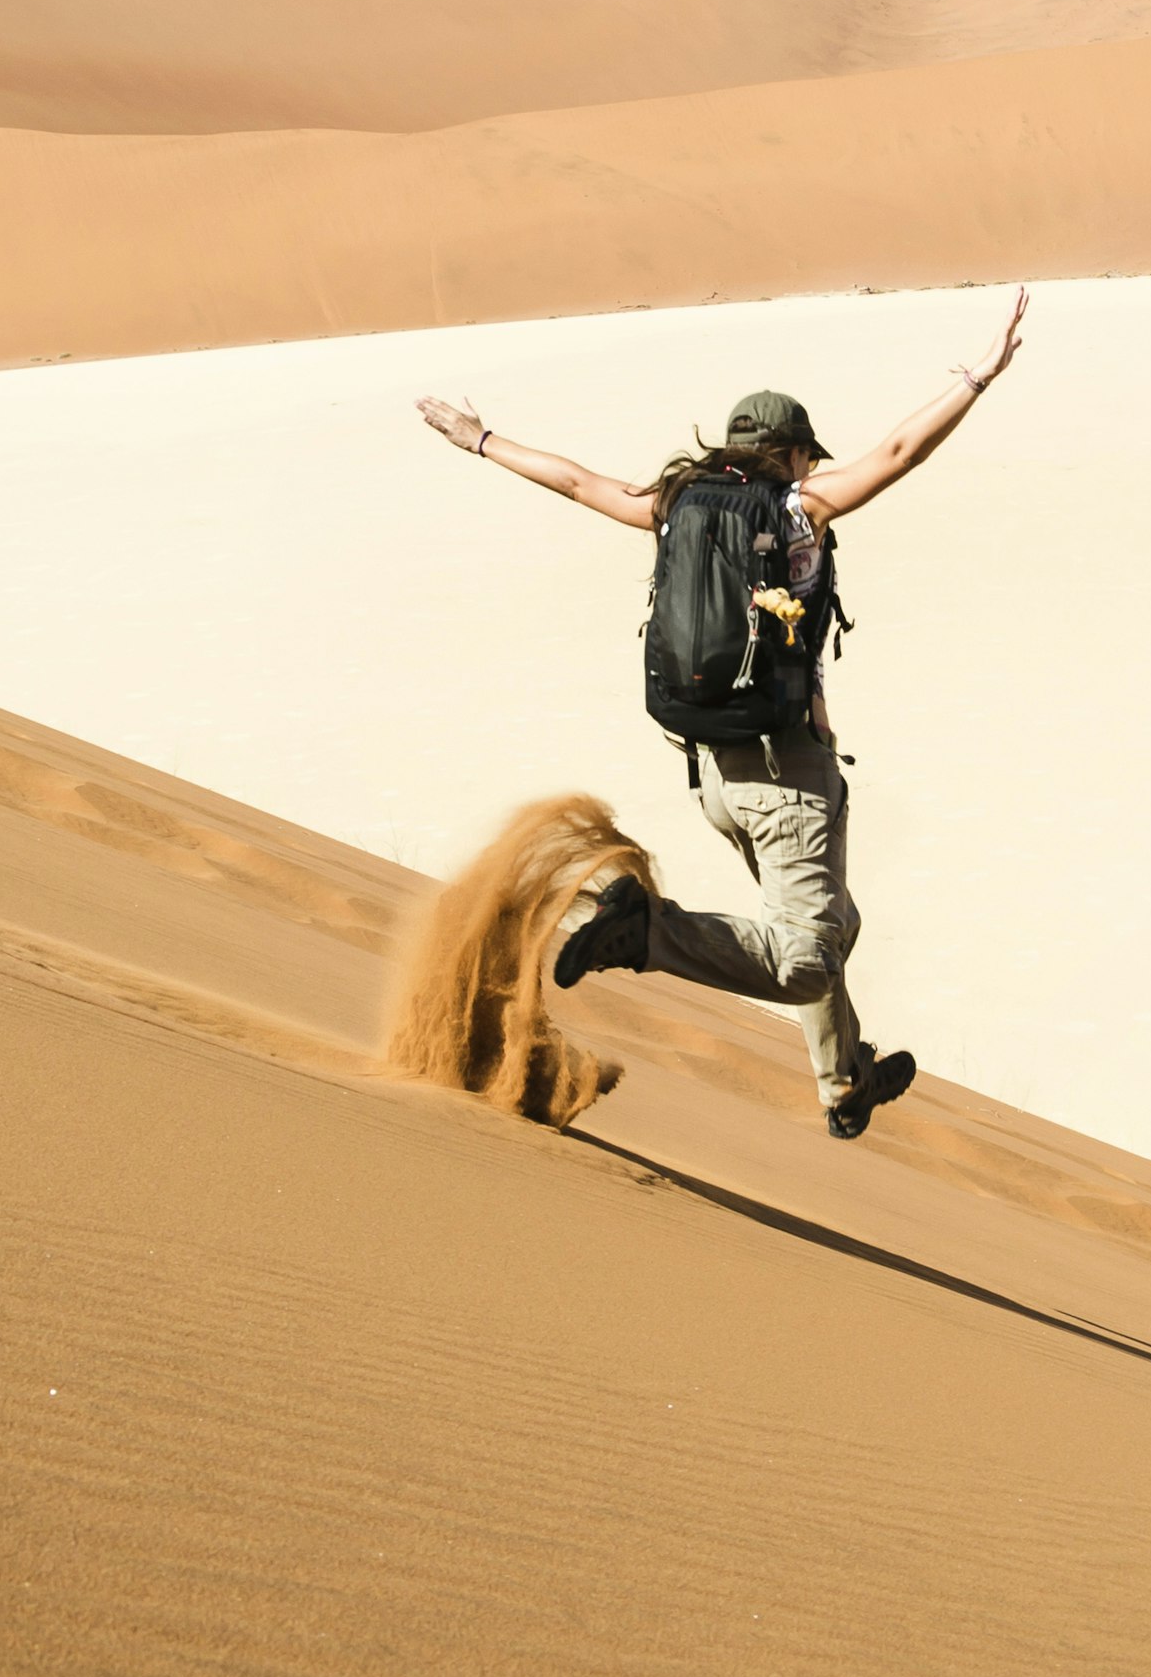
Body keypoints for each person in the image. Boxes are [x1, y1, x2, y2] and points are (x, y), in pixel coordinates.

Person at [414, 287, 1028, 1138]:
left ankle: (842, 1077)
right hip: (788, 774)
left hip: (713, 775)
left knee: (830, 924)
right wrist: (976, 377)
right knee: (806, 952)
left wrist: (480, 439)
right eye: (807, 456)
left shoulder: (672, 505)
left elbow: (576, 479)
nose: (816, 469)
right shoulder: (793, 510)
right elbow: (897, 452)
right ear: (784, 453)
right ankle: (641, 933)